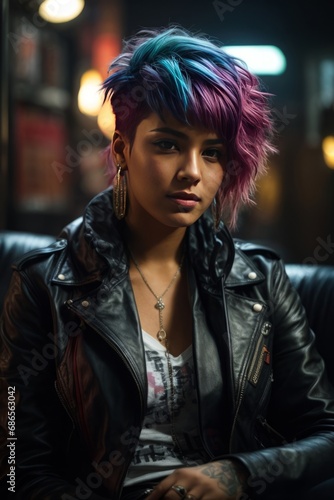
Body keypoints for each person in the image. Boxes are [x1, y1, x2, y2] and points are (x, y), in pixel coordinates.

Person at [1, 25, 334, 500]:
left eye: (213, 153)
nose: (192, 172)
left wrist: (238, 473)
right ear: (122, 150)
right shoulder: (44, 285)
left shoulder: (259, 282)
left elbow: (325, 432)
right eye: (168, 144)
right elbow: (15, 465)